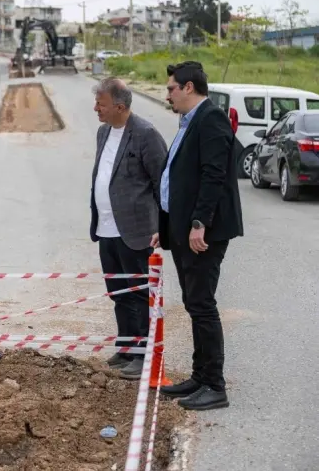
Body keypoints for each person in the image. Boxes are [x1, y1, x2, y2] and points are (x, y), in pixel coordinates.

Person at [152, 61, 243, 410]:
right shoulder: (190, 121)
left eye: (171, 88)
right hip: (185, 231)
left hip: (203, 233)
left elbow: (213, 176)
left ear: (189, 87)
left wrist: (198, 224)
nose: (168, 94)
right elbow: (176, 180)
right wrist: (166, 229)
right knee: (194, 304)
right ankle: (200, 377)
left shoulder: (211, 119)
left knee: (202, 304)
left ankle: (215, 386)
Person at [90, 77, 168, 380]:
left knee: (138, 295)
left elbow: (163, 182)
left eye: (102, 104)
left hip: (135, 231)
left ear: (120, 107)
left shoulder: (146, 135)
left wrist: (163, 225)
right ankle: (125, 347)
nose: (96, 108)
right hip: (106, 230)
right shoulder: (103, 132)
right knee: (118, 293)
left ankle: (142, 355)